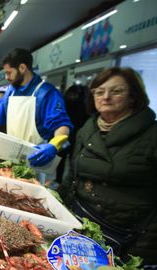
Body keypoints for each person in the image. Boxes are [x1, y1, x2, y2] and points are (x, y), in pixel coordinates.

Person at [59, 67, 157, 265]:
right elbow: (72, 176)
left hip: (127, 237)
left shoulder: (152, 135)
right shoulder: (87, 129)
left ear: (133, 96)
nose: (106, 97)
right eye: (99, 91)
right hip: (79, 224)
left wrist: (144, 249)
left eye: (116, 91)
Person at [0, 48, 73, 168]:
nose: (7, 77)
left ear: (22, 68)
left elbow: (62, 125)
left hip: (37, 160)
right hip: (12, 159)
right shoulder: (11, 92)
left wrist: (54, 146)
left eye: (9, 73)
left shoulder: (47, 92)